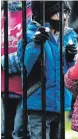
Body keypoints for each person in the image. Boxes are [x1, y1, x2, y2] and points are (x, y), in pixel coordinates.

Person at [17, 1, 78, 139]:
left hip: (60, 101)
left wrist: (70, 58)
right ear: (45, 14)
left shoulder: (69, 35)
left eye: (65, 12)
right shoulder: (30, 34)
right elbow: (26, 64)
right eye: (58, 13)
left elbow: (70, 73)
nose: (62, 17)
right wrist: (36, 44)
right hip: (39, 102)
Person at [1, 1, 32, 138]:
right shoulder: (3, 14)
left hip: (25, 88)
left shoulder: (32, 16)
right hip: (5, 86)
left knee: (20, 132)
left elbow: (29, 53)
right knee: (5, 131)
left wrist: (4, 62)